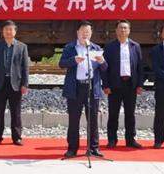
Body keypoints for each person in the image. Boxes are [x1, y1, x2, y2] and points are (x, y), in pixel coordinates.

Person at [59, 20, 108, 158]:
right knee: (74, 120)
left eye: (87, 32)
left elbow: (105, 68)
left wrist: (102, 61)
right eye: (82, 31)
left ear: (91, 33)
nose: (85, 34)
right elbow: (61, 63)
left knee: (92, 119)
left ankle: (93, 148)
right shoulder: (70, 47)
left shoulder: (95, 48)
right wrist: (73, 60)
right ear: (77, 33)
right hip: (75, 87)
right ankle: (72, 148)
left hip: (91, 87)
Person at [101, 20, 145, 149]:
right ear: (116, 31)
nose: (123, 30)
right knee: (113, 114)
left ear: (129, 31)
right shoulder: (109, 47)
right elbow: (104, 68)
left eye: (125, 28)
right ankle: (112, 140)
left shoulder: (135, 46)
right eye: (120, 28)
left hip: (130, 85)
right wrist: (106, 85)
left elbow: (140, 67)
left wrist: (140, 84)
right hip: (115, 85)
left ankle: (130, 139)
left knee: (130, 114)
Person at [0, 20, 30, 146]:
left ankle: (17, 137)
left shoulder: (22, 47)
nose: (8, 32)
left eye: (11, 29)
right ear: (3, 32)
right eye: (6, 29)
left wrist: (25, 84)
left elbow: (25, 67)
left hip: (15, 83)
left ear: (15, 32)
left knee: (16, 112)